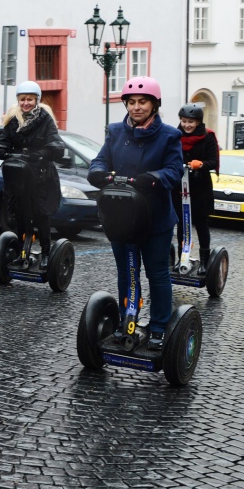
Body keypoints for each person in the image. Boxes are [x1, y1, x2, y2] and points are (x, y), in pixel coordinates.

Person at [87, 77, 183, 350]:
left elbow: (175, 171)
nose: (136, 107)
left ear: (154, 105)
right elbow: (101, 159)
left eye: (143, 102)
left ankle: (158, 327)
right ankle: (127, 321)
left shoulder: (169, 136)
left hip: (156, 219)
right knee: (127, 272)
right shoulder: (116, 132)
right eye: (132, 102)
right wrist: (97, 172)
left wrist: (153, 177)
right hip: (122, 216)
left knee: (157, 273)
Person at [0, 80, 65, 267]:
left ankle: (46, 253)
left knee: (41, 216)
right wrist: (1, 150)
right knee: (20, 215)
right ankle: (23, 252)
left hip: (41, 177)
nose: (26, 103)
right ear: (19, 100)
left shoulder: (45, 119)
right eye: (23, 99)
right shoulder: (14, 120)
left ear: (37, 100)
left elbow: (56, 144)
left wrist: (41, 154)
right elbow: (3, 141)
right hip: (19, 178)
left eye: (30, 99)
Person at [171, 103, 220, 268]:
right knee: (181, 224)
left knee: (201, 224)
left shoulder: (208, 137)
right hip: (180, 187)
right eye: (184, 121)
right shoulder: (175, 136)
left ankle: (205, 262)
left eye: (191, 122)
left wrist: (201, 164)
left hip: (200, 188)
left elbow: (213, 161)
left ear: (198, 122)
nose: (187, 125)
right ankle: (181, 259)